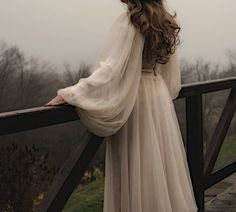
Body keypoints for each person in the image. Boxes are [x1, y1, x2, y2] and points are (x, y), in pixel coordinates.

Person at [45, 0, 198, 211]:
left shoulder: (131, 21)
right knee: (157, 166)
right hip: (158, 97)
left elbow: (111, 69)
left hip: (136, 102)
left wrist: (74, 93)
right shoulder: (165, 20)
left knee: (138, 166)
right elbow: (171, 79)